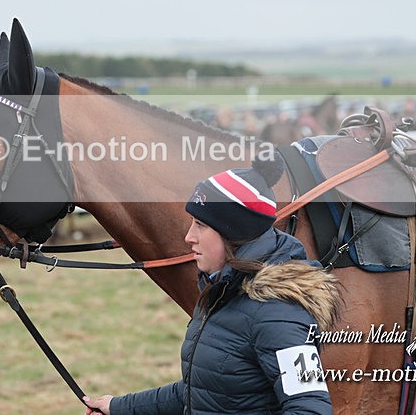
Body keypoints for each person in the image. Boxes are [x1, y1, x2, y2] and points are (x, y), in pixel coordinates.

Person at [84, 156, 341, 415]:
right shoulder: (222, 293)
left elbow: (310, 409)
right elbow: (200, 392)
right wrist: (117, 407)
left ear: (233, 233)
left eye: (201, 225)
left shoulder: (279, 313)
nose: (189, 237)